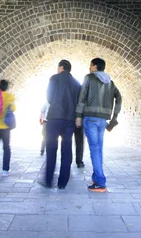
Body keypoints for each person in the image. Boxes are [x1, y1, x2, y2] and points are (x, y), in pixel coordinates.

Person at [76, 58, 122, 192]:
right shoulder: (110, 82)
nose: (89, 68)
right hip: (103, 120)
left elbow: (82, 97)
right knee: (98, 149)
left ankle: (101, 182)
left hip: (90, 118)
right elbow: (119, 98)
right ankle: (97, 177)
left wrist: (78, 116)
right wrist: (114, 118)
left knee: (94, 149)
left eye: (90, 65)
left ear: (95, 67)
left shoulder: (89, 78)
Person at [42, 60, 82, 189]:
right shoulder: (77, 83)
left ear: (61, 67)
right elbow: (78, 102)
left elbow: (48, 97)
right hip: (69, 120)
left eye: (58, 67)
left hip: (54, 117)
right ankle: (63, 182)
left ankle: (48, 180)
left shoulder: (54, 78)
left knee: (51, 148)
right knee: (66, 148)